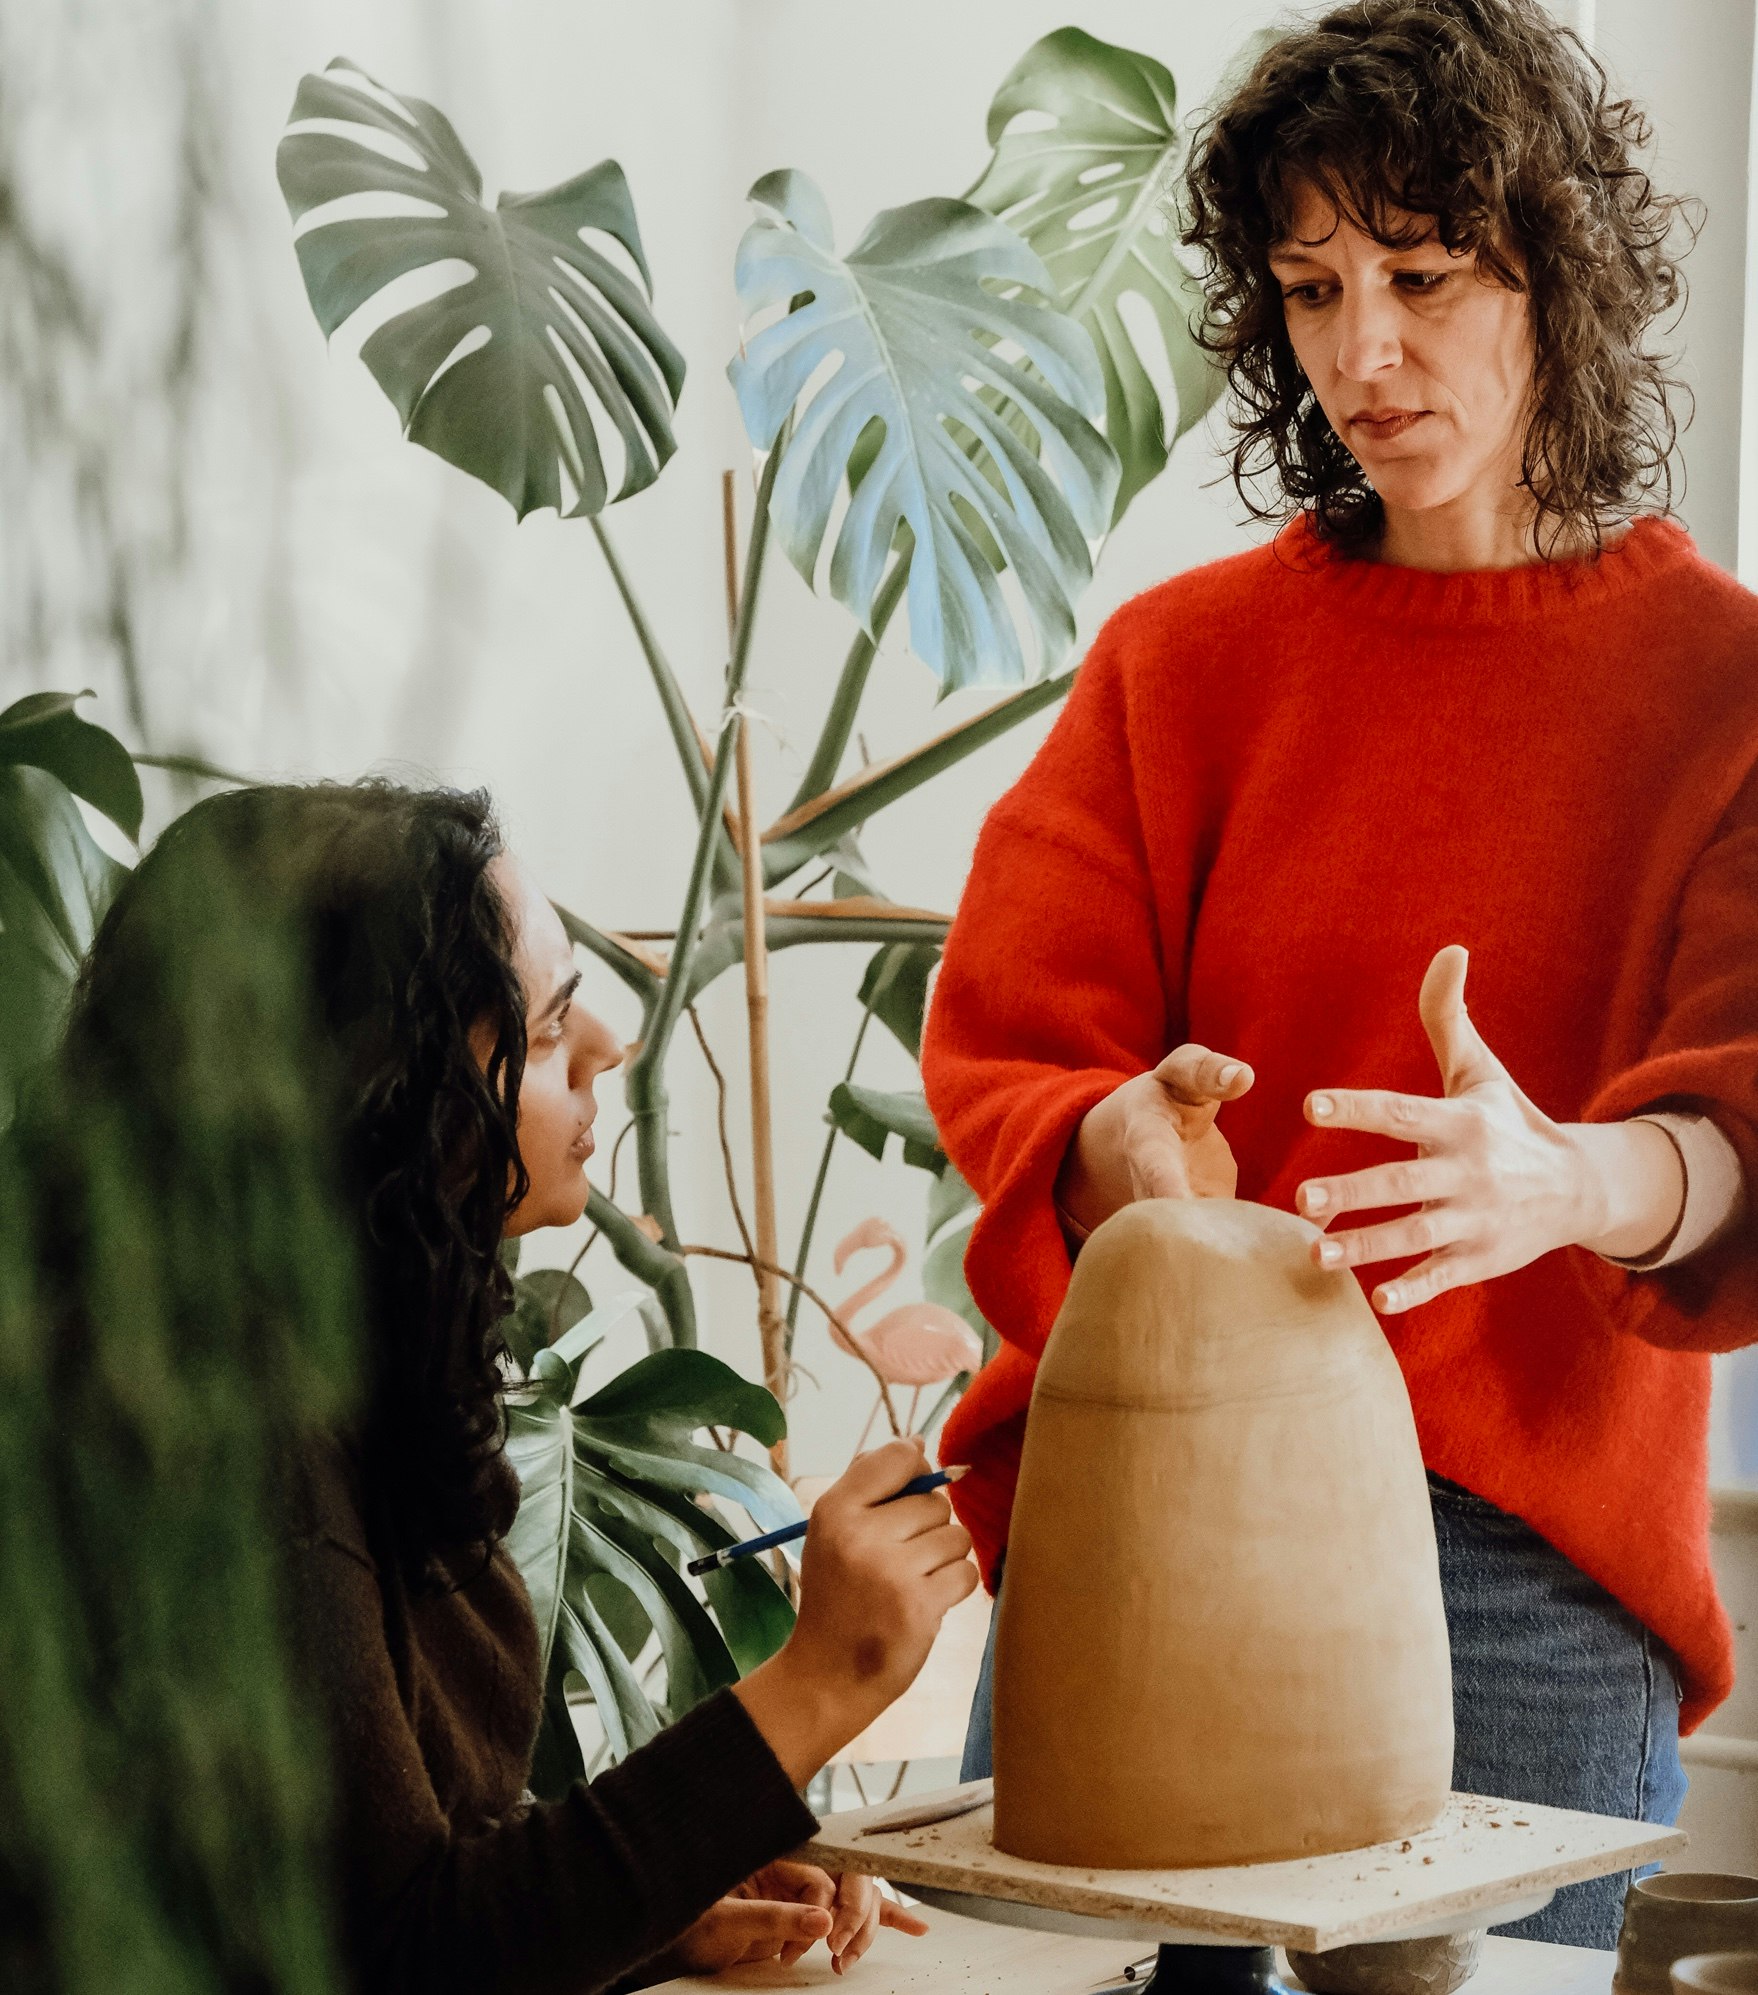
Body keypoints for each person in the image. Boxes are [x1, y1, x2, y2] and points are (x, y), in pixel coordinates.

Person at [922, 0, 1758, 1951]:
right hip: (1150, 1503)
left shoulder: (1721, 686)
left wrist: (1570, 1178)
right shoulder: (1180, 666)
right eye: (1310, 291)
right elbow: (1017, 1045)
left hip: (1526, 1574)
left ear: (1556, 268)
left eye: (1420, 276)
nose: (1359, 352)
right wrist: (1120, 1145)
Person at [18, 780, 975, 1995]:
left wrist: (654, 1909)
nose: (608, 1046)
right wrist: (821, 1679)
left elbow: (388, 1872)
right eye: (548, 1026)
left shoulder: (336, 1361)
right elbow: (411, 1957)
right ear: (380, 1090)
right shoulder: (213, 1446)